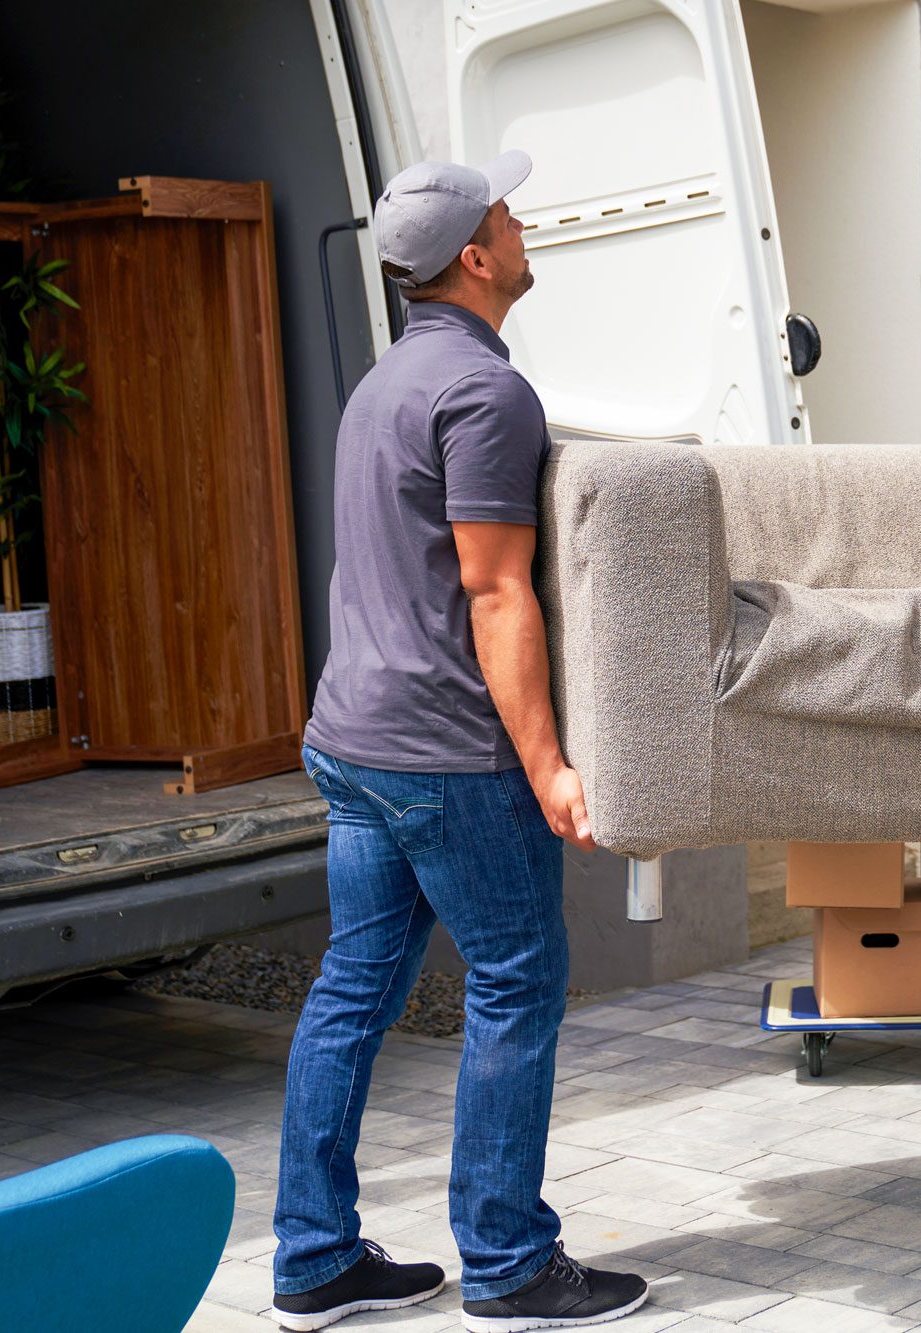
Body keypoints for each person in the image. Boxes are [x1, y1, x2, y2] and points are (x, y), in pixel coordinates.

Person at [270, 153, 650, 1330]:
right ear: (476, 258)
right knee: (517, 977)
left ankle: (314, 1257)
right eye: (507, 212)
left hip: (354, 739)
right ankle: (505, 1259)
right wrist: (548, 766)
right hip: (445, 756)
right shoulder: (487, 396)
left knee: (352, 991)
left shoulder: (385, 382)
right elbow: (495, 593)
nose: (524, 219)